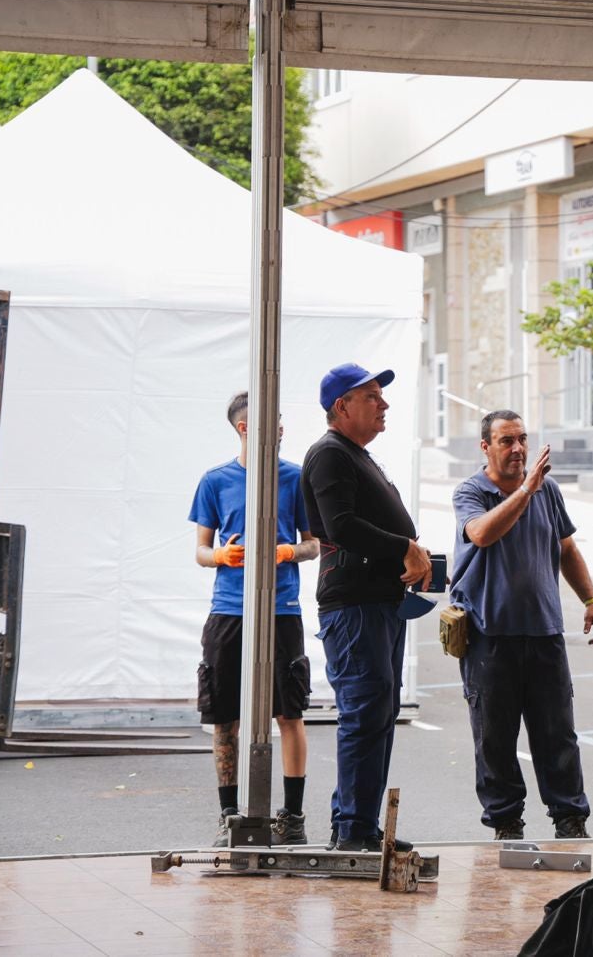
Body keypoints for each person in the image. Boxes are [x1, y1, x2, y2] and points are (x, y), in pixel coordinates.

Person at [450, 410, 593, 841]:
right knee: (494, 739)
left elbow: (567, 548)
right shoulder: (471, 492)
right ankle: (506, 822)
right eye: (506, 441)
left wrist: (591, 600)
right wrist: (525, 490)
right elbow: (481, 533)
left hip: (544, 633)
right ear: (486, 447)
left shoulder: (547, 490)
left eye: (522, 439)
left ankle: (570, 819)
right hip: (488, 635)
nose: (518, 448)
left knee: (557, 734)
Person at [300, 363, 433, 852]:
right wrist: (403, 547)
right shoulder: (329, 454)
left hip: (379, 605)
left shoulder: (357, 456)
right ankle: (352, 831)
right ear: (342, 407)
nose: (384, 404)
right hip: (354, 609)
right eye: (373, 396)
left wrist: (412, 552)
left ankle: (361, 827)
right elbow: (340, 527)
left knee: (379, 713)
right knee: (364, 713)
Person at [190, 391, 319, 846]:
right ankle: (229, 815)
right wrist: (221, 555)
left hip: (282, 610)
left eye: (281, 420)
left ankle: (294, 817)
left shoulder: (295, 478)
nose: (281, 428)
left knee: (290, 713)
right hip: (229, 610)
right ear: (246, 428)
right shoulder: (215, 481)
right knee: (225, 717)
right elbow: (201, 551)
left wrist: (289, 552)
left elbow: (314, 544)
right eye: (273, 421)